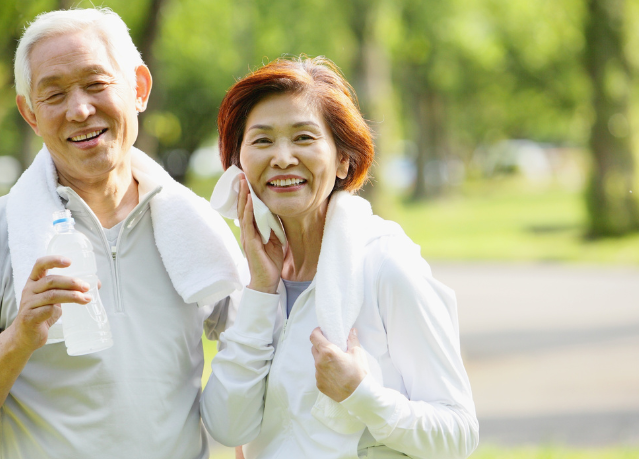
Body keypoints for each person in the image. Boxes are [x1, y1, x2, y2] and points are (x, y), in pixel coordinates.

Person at [0, 8, 244, 458]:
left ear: (139, 88)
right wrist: (20, 337)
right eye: (53, 94)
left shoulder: (197, 228)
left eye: (96, 84)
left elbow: (257, 368)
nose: (80, 110)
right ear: (30, 114)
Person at [200, 56, 479, 459]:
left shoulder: (385, 263)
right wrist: (261, 290)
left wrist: (361, 395)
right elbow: (229, 427)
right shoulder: (251, 277)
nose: (281, 157)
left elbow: (458, 434)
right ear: (239, 163)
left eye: (303, 138)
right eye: (262, 140)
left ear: (344, 160)